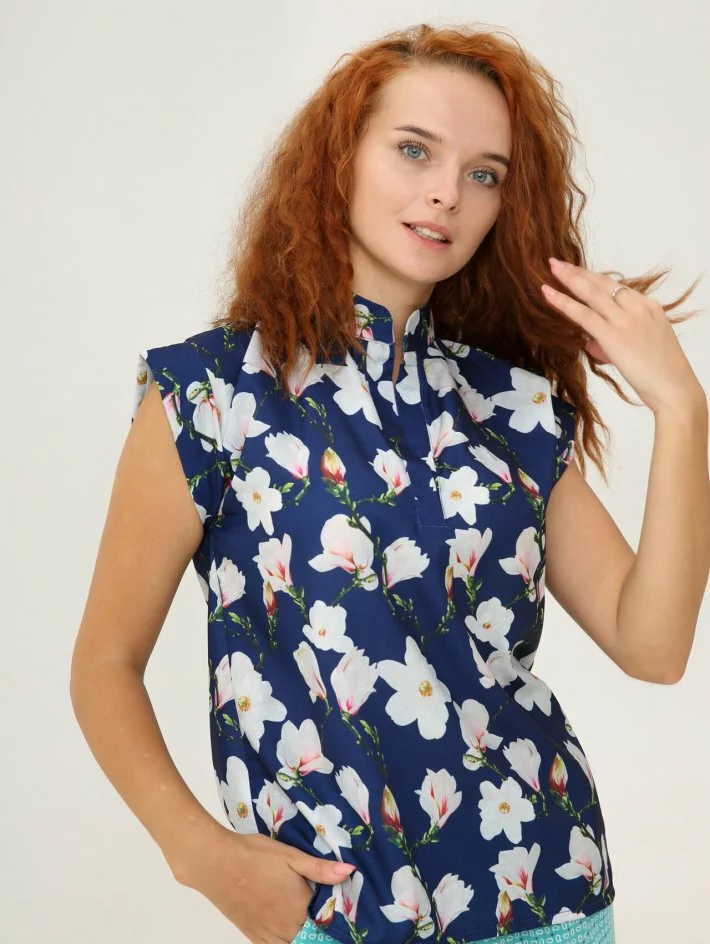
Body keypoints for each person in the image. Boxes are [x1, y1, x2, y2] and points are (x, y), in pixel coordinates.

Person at [69, 22, 709, 944]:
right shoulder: (211, 396)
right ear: (340, 159)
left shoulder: (514, 411)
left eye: (484, 173)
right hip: (340, 911)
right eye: (415, 150)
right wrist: (199, 854)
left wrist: (683, 409)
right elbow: (103, 664)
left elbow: (654, 647)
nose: (447, 191)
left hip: (547, 892)